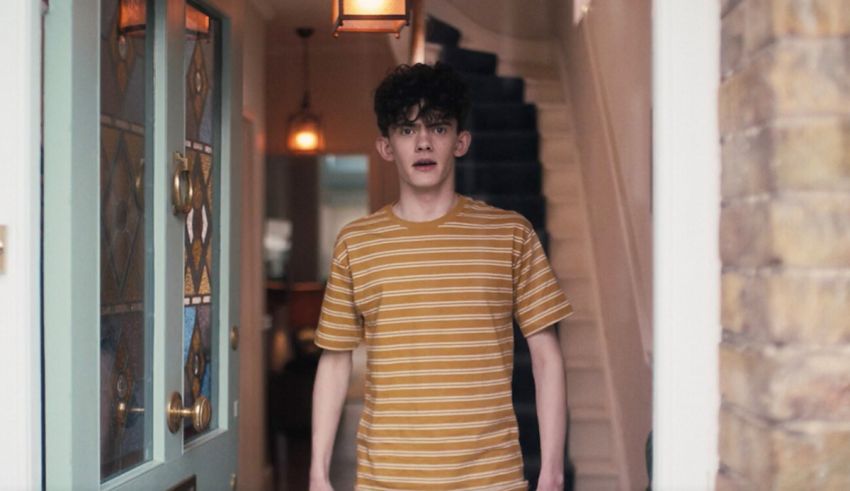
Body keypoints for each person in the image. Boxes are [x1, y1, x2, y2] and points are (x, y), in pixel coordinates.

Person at [309, 62, 573, 491]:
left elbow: (546, 355)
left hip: (491, 479)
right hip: (387, 480)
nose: (424, 142)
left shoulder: (510, 234)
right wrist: (318, 473)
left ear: (460, 142)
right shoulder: (356, 242)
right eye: (407, 130)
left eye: (438, 128)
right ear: (386, 146)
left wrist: (553, 472)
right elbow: (336, 359)